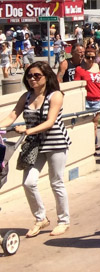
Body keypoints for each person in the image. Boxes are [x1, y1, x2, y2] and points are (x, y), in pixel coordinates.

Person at [0, 62, 70, 238]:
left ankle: (63, 221)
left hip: (55, 143)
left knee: (56, 182)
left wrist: (27, 130)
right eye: (29, 76)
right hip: (34, 145)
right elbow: (12, 115)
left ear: (46, 77)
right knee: (28, 182)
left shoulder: (55, 96)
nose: (32, 79)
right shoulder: (26, 96)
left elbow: (50, 121)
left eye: (37, 76)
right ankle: (41, 218)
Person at [75, 46, 100, 147]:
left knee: (94, 124)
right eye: (88, 57)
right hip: (86, 100)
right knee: (85, 124)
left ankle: (93, 145)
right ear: (84, 57)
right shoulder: (79, 69)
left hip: (98, 99)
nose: (90, 59)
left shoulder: (99, 67)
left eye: (93, 57)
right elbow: (76, 85)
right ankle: (85, 145)